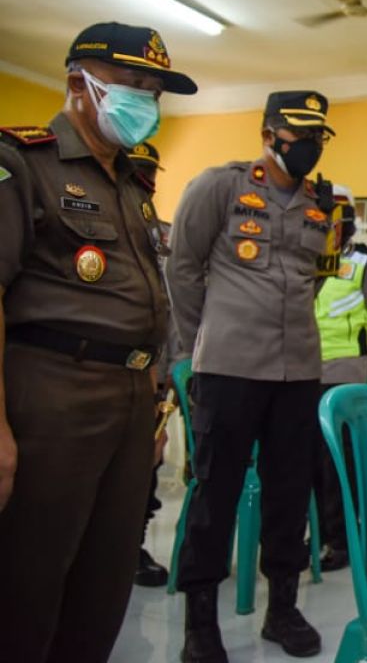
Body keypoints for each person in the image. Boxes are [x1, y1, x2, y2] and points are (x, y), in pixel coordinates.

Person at [0, 22, 195, 662]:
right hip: (53, 395)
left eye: (154, 90)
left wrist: (152, 405)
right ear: (78, 83)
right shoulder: (20, 163)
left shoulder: (131, 187)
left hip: (128, 401)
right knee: (28, 583)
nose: (145, 101)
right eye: (131, 84)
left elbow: (146, 303)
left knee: (103, 586)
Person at [168, 91, 337, 661]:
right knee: (216, 493)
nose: (309, 145)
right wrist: (200, 345)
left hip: (298, 373)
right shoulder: (221, 186)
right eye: (298, 134)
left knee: (289, 495)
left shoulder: (323, 204)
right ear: (269, 134)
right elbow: (183, 269)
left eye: (319, 135)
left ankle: (282, 611)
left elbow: (315, 279)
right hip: (231, 368)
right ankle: (199, 623)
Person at [313, 183, 367, 571]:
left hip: (344, 371)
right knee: (309, 461)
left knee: (337, 462)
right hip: (301, 372)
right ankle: (318, 536)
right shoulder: (304, 255)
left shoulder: (363, 260)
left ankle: (342, 540)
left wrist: (362, 364)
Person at [127, 141, 174, 587]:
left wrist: (173, 373)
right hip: (108, 374)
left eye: (150, 171)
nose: (146, 179)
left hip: (156, 380)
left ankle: (131, 548)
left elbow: (175, 309)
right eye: (136, 169)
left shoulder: (165, 235)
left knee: (146, 470)